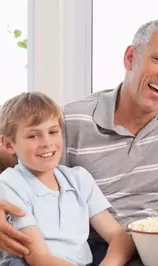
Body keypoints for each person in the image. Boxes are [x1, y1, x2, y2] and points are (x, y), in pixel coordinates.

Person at [0, 19, 158, 265]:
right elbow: (15, 156)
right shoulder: (72, 121)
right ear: (130, 57)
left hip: (157, 242)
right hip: (97, 246)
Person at [0, 92, 134, 266]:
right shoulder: (10, 183)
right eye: (33, 135)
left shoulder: (79, 178)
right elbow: (38, 258)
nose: (47, 142)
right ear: (9, 144)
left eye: (53, 132)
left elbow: (119, 236)